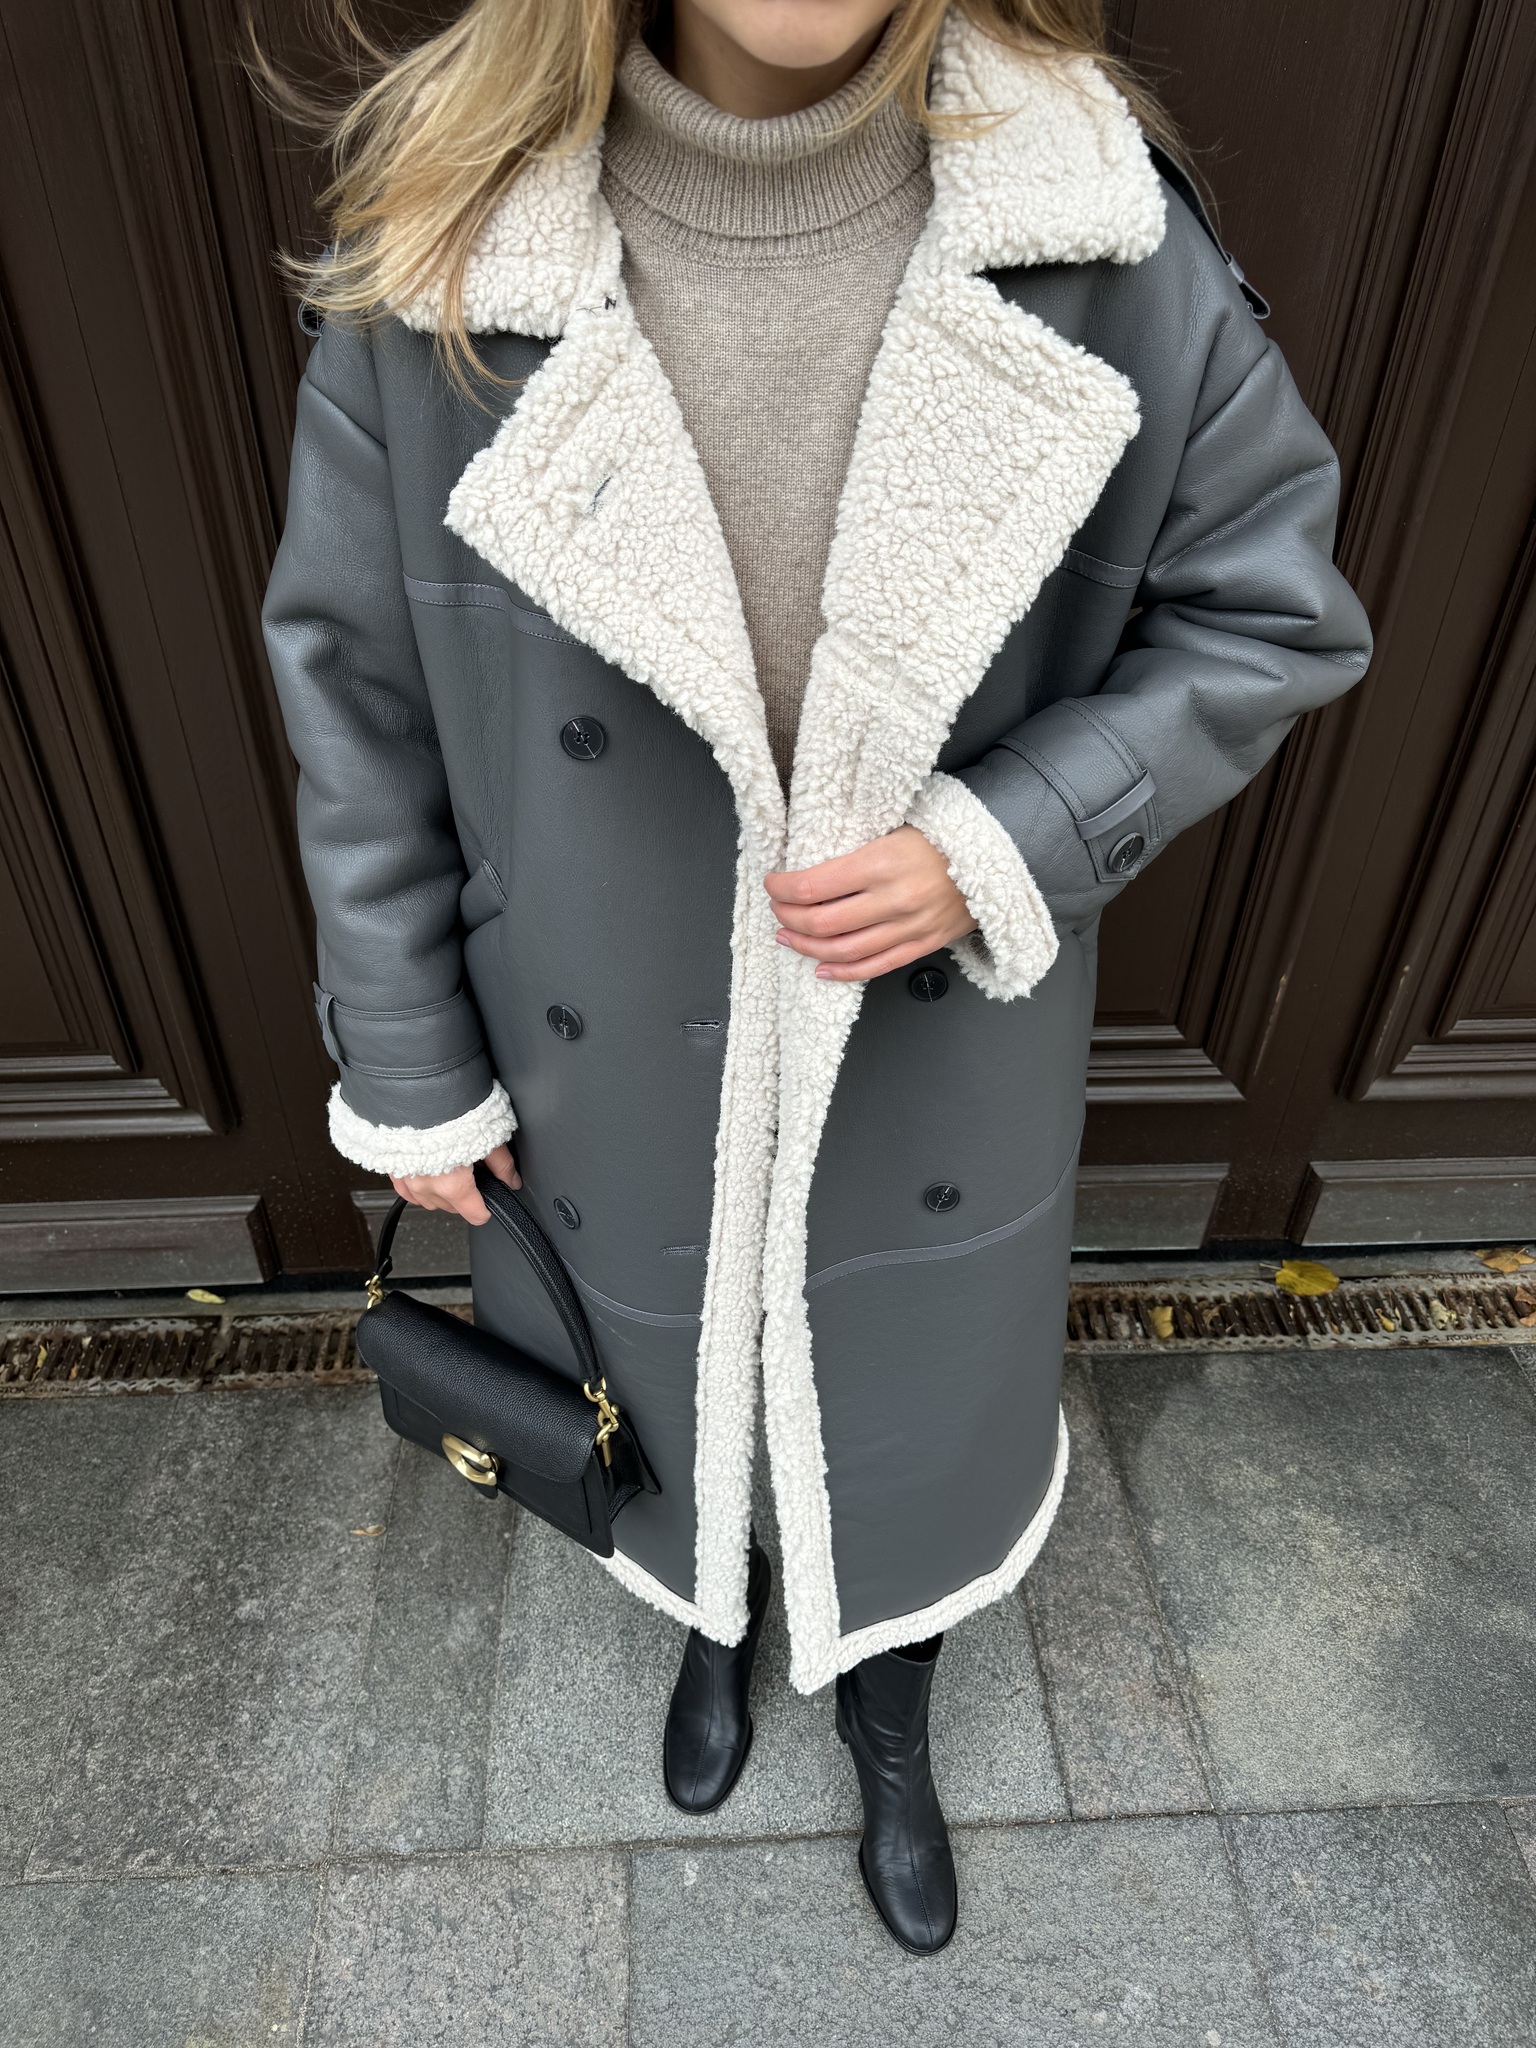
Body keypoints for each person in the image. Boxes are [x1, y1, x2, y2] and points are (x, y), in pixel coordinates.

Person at [262, 0, 1371, 1954]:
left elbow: (1271, 612)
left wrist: (1005, 841)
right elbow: (355, 699)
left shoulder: (1093, 226)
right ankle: (713, 1610)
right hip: (597, 1017)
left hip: (929, 1043)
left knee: (904, 1385)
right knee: (660, 1362)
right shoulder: (451, 248)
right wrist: (409, 1056)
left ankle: (888, 1686)